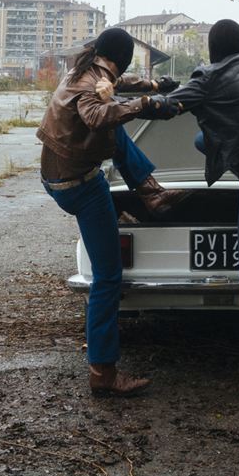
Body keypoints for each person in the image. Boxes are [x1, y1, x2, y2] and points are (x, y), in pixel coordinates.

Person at [150, 18, 239, 402]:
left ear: (212, 50)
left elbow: (168, 108)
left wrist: (135, 103)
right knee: (207, 136)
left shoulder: (209, 77)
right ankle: (225, 152)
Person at [37, 27, 185, 397]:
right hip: (78, 186)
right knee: (107, 278)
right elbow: (95, 114)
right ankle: (103, 372)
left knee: (117, 132)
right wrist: (145, 107)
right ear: (121, 56)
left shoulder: (87, 69)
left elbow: (117, 85)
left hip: (58, 175)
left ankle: (150, 193)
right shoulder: (92, 86)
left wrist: (154, 87)